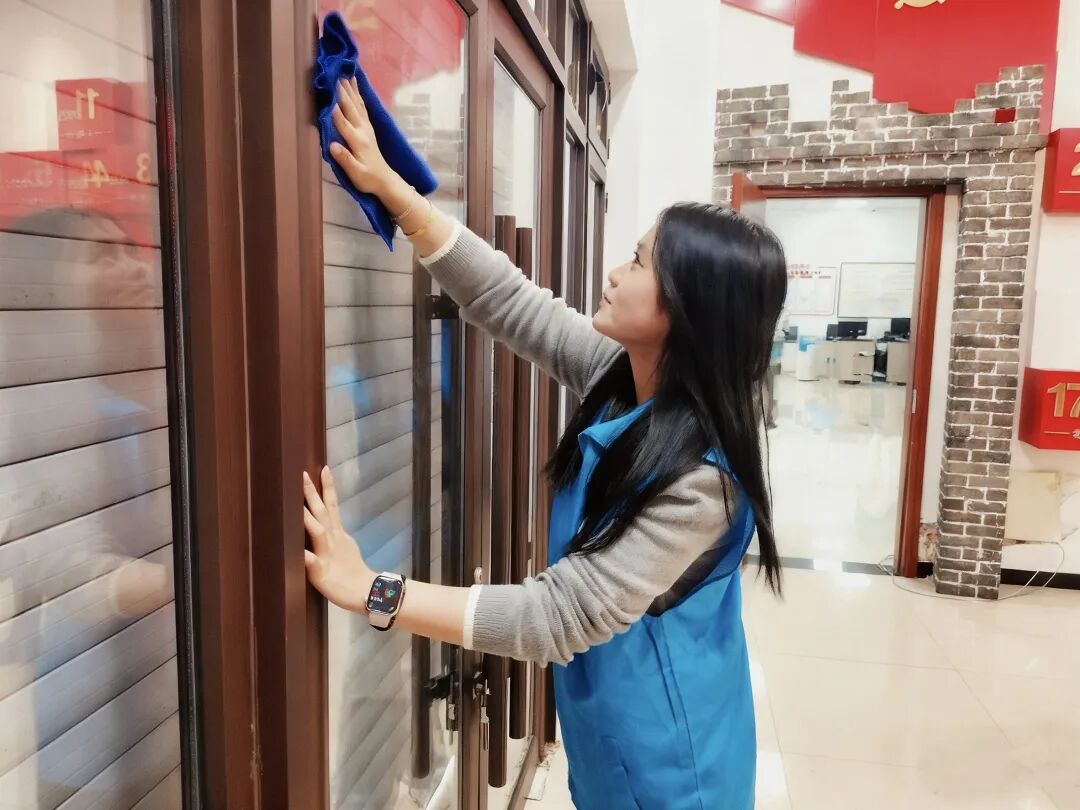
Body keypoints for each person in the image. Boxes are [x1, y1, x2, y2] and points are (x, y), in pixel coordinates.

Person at [303, 78, 787, 810]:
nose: (616, 272)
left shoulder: (702, 483)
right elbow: (509, 302)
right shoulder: (626, 377)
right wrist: (395, 192)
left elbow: (554, 617)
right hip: (616, 729)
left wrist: (373, 590)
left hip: (674, 769)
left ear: (686, 309)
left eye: (639, 262)